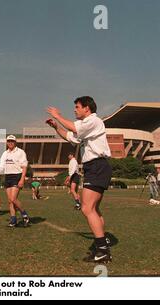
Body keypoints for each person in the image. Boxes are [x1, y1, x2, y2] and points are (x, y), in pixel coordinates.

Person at [47, 96, 112, 263]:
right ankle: (102, 244)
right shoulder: (85, 127)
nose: (75, 109)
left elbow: (73, 128)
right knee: (94, 210)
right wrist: (56, 127)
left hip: (97, 166)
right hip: (94, 167)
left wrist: (57, 116)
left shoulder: (93, 121)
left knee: (87, 208)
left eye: (77, 107)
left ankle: (103, 250)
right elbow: (70, 136)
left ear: (87, 108)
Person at [0, 135, 30, 227]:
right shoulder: (5, 153)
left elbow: (24, 166)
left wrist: (22, 179)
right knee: (10, 201)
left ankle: (24, 214)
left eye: (12, 141)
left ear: (15, 142)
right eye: (9, 141)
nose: (10, 143)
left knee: (13, 199)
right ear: (7, 142)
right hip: (8, 176)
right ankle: (13, 220)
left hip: (17, 176)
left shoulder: (20, 152)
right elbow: (1, 167)